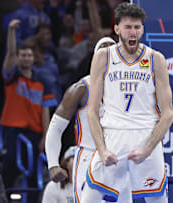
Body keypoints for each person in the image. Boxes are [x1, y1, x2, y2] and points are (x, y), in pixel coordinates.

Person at [81, 3, 173, 203]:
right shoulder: (103, 56)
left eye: (137, 27)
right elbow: (92, 111)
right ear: (117, 29)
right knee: (89, 199)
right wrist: (102, 149)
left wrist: (148, 149)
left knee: (157, 200)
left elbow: (168, 114)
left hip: (145, 135)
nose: (133, 32)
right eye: (128, 27)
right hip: (114, 135)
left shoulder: (155, 59)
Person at [45, 37, 115, 203]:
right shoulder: (81, 88)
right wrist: (53, 164)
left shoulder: (131, 89)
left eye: (112, 49)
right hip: (88, 157)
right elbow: (55, 128)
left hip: (118, 159)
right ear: (94, 57)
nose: (107, 53)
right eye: (103, 49)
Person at [1, 19, 57, 188]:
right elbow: (10, 54)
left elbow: (45, 112)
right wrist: (11, 31)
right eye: (22, 55)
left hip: (34, 132)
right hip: (13, 131)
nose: (26, 58)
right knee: (10, 170)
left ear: (34, 58)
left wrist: (46, 137)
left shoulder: (42, 82)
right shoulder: (12, 78)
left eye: (29, 55)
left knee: (33, 173)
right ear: (18, 58)